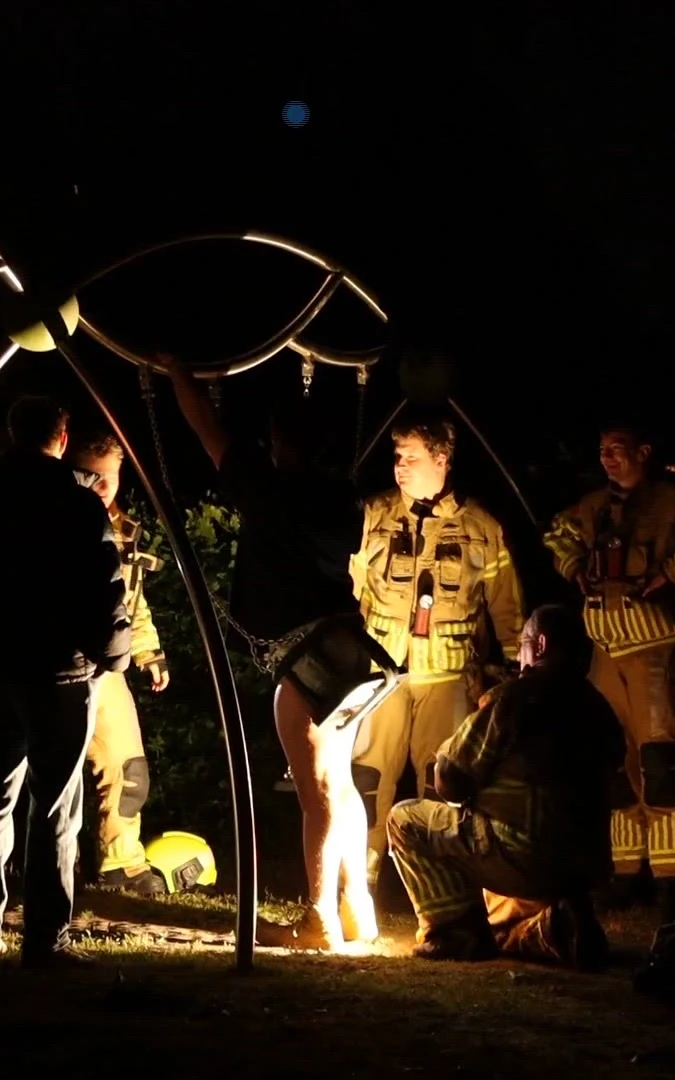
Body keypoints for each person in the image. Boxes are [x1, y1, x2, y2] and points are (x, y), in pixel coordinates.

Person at [154, 353, 398, 950]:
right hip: (346, 646)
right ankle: (357, 907)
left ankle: (320, 918)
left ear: (280, 443)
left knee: (316, 788)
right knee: (338, 782)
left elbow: (208, 432)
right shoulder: (341, 495)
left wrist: (178, 373)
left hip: (306, 652)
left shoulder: (271, 491)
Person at [0, 396, 131, 966]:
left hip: (0, 660)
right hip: (58, 668)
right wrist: (114, 655)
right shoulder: (78, 507)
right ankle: (45, 938)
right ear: (62, 438)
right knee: (54, 804)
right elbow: (105, 587)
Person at [542, 420, 675, 919]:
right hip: (605, 651)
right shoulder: (593, 507)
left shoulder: (674, 501)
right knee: (614, 765)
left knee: (661, 762)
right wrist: (576, 567)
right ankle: (627, 872)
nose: (608, 458)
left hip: (655, 648)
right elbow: (556, 535)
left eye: (617, 449)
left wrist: (672, 572)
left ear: (644, 451)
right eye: (602, 450)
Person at [387, 603, 621, 969]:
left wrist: (477, 712)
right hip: (583, 864)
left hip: (522, 853)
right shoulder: (599, 708)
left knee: (405, 819)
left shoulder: (513, 698)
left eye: (524, 643)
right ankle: (557, 927)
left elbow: (451, 781)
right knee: (500, 922)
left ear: (539, 645)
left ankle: (452, 933)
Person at [351, 411, 526, 881]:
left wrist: (514, 668)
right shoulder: (373, 517)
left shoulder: (482, 528)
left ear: (442, 459)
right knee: (365, 779)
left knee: (442, 783)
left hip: (448, 677)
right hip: (381, 674)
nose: (400, 466)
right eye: (396, 456)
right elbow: (346, 590)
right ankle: (358, 881)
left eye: (411, 456)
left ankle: (436, 884)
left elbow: (507, 606)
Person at [68, 431, 171, 896]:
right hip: (65, 664)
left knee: (128, 767)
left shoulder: (126, 531)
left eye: (109, 477)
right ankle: (49, 865)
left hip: (109, 669)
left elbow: (133, 601)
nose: (101, 485)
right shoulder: (55, 521)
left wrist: (149, 652)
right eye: (91, 474)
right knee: (58, 774)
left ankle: (120, 862)